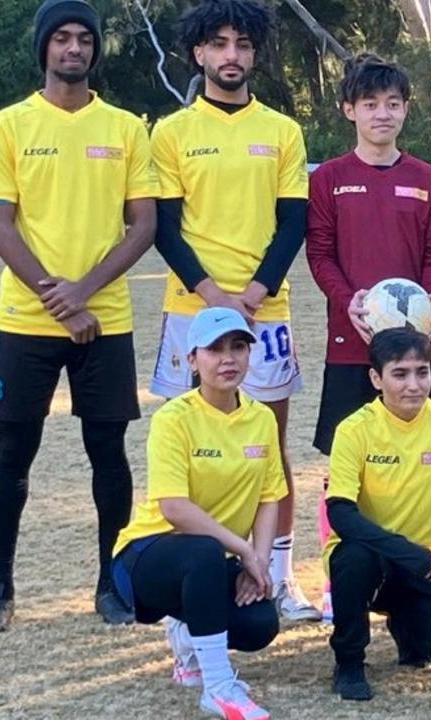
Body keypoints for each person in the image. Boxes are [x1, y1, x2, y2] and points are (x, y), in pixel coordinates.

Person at [0, 0, 158, 634]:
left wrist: (85, 294)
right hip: (26, 320)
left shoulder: (128, 128)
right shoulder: (8, 125)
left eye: (83, 39)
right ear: (44, 48)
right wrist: (58, 298)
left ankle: (112, 584)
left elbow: (145, 224)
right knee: (13, 451)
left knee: (108, 451)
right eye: (61, 39)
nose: (73, 48)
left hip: (105, 321)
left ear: (95, 50)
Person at [149, 0, 319, 623]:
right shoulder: (170, 133)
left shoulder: (282, 131)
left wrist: (254, 291)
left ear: (254, 54)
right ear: (198, 53)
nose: (230, 55)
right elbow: (163, 226)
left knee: (269, 446)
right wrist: (211, 295)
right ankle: (188, 584)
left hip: (265, 312)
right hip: (189, 310)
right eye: (218, 43)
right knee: (188, 446)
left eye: (242, 44)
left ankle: (278, 577)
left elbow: (293, 219)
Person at [305, 52, 431, 619]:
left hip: (414, 350)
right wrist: (351, 304)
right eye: (370, 104)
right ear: (349, 110)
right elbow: (319, 254)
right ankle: (336, 576)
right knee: (344, 467)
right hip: (352, 347)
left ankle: (421, 567)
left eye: (393, 104)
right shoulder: (330, 179)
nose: (382, 114)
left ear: (406, 109)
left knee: (419, 461)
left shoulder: (427, 180)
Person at [110, 307, 282, 720]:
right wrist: (243, 549)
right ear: (192, 360)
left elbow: (269, 497)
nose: (228, 358)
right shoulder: (174, 418)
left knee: (259, 624)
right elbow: (174, 509)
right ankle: (219, 688)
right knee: (202, 550)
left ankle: (189, 643)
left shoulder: (261, 419)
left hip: (212, 558)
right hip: (145, 557)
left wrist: (259, 559)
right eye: (214, 349)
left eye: (238, 347)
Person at [323, 329, 431, 701]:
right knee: (352, 558)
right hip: (371, 561)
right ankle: (348, 661)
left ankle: (409, 630)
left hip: (426, 567)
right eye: (400, 374)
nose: (414, 385)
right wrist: (401, 549)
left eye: (422, 371)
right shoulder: (353, 430)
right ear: (376, 379)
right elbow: (341, 513)